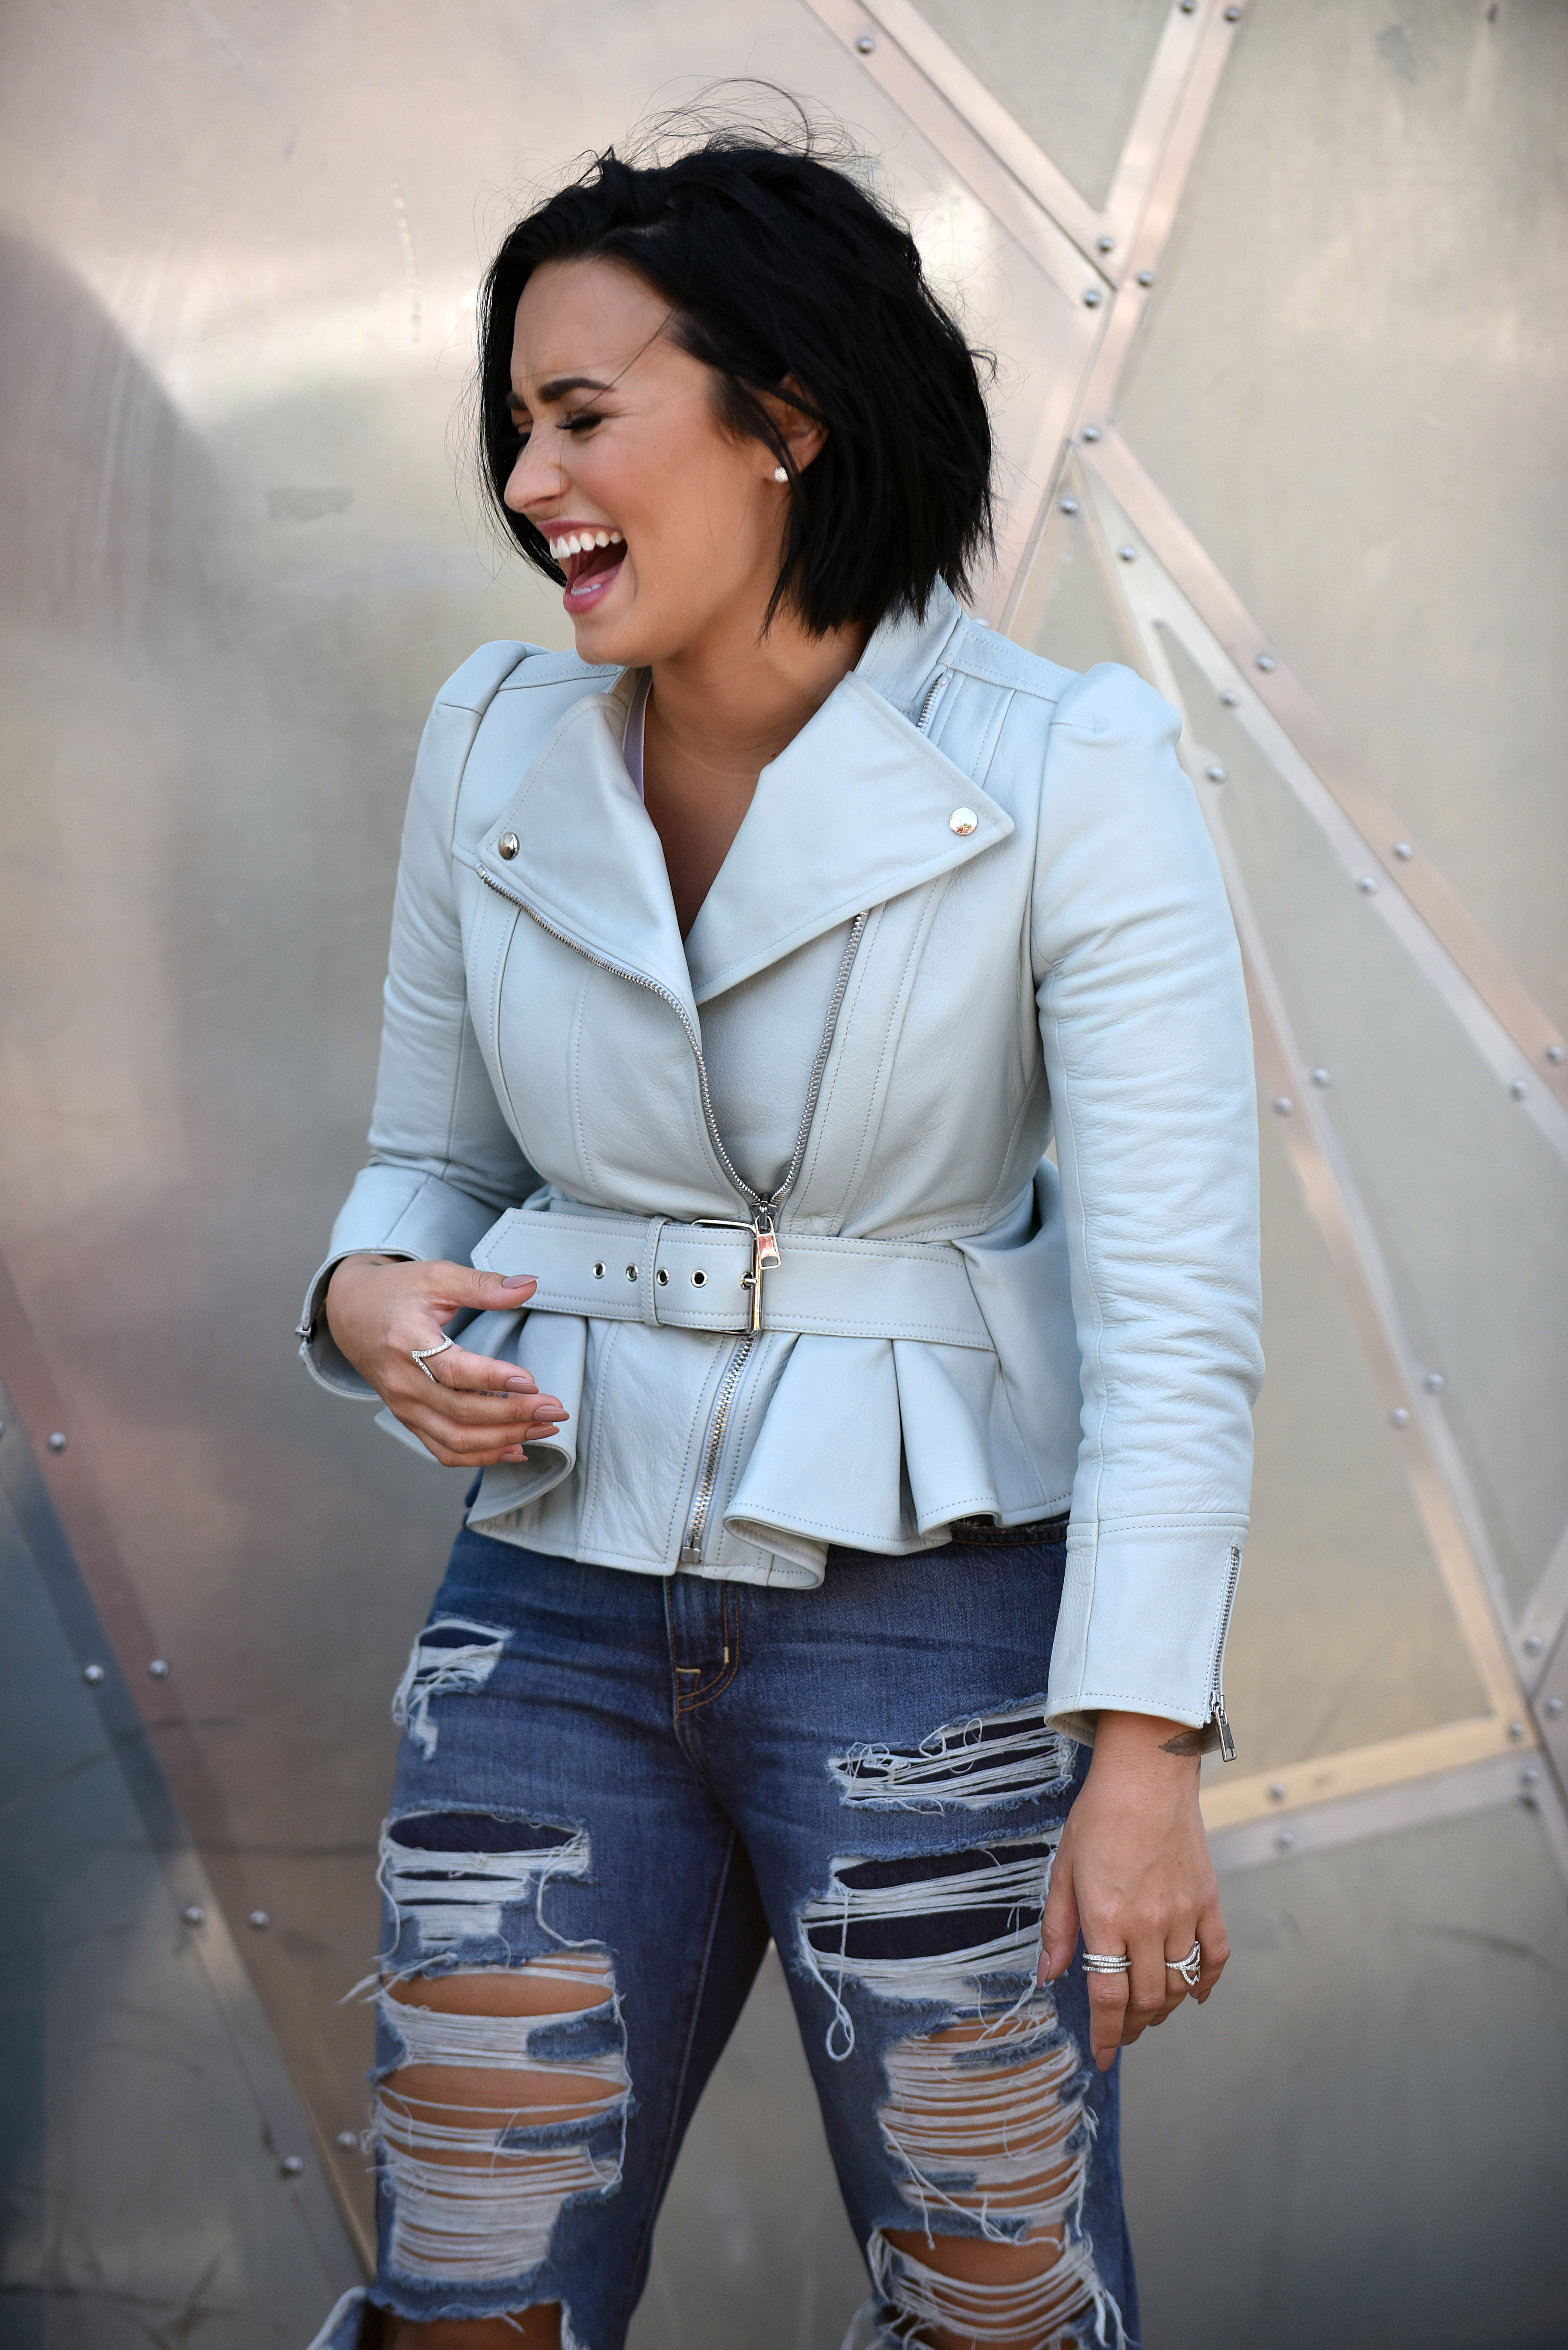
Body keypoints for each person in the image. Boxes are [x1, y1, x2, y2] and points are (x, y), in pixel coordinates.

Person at [299, 119, 1261, 2350]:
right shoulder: (493, 742)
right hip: (545, 1607)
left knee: (996, 2300)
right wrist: (363, 1302)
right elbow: (424, 1163)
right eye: (514, 426)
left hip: (934, 1631)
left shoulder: (1070, 763)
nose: (528, 480)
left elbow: (1173, 1311)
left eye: (580, 415)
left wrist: (1144, 1748)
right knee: (469, 2290)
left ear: (787, 424)